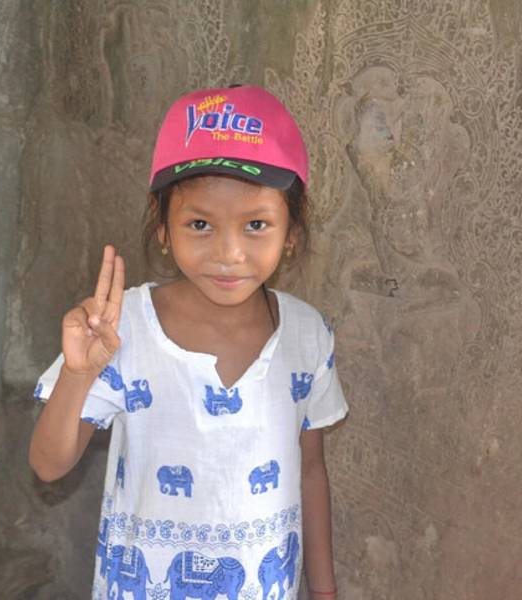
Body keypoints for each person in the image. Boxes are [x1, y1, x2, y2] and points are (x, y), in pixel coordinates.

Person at [29, 84, 348, 600]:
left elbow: (310, 470)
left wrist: (325, 589)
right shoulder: (123, 328)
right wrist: (79, 373)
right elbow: (48, 465)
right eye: (200, 224)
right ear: (163, 228)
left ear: (292, 231)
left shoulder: (308, 335)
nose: (228, 253)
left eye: (256, 225)